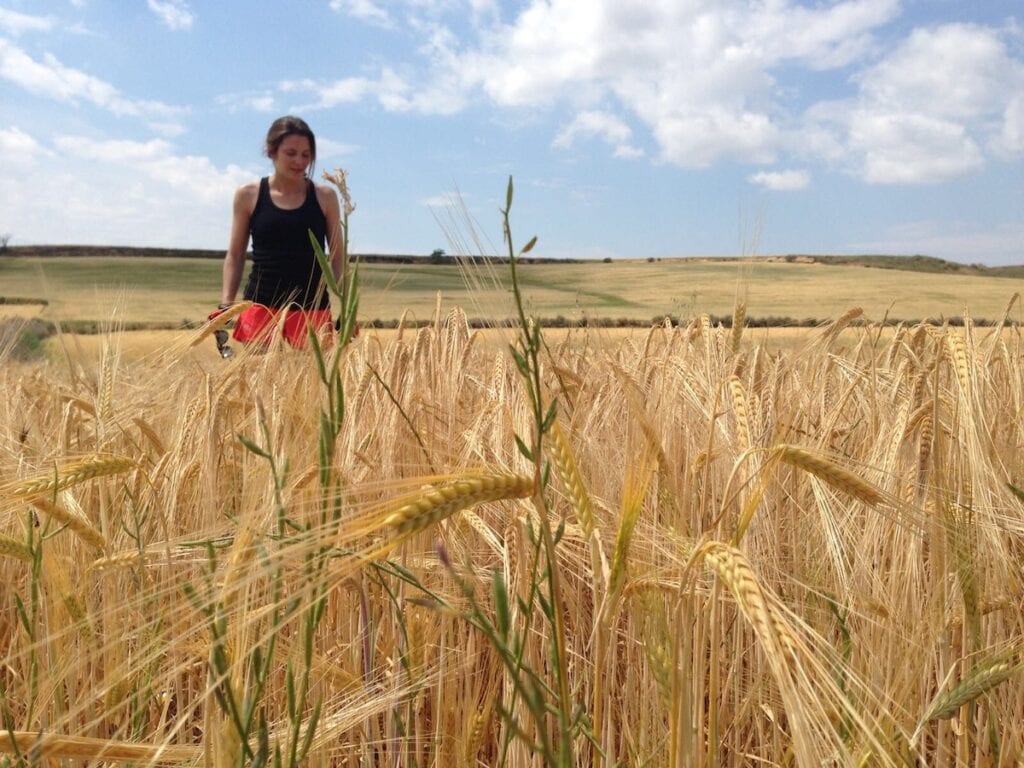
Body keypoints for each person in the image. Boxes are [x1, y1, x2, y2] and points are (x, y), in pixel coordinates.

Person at [215, 115, 343, 349]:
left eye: (306, 154)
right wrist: (226, 305)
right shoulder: (248, 195)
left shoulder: (325, 197)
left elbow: (337, 257)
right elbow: (235, 255)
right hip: (260, 306)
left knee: (314, 384)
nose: (300, 161)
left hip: (312, 307)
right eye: (291, 153)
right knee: (257, 384)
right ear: (271, 152)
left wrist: (348, 307)